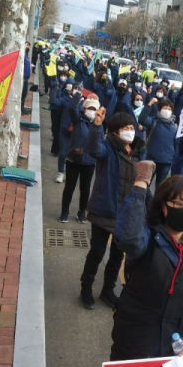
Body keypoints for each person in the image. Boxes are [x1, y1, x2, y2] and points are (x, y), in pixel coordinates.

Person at [111, 172, 183, 360]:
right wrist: (140, 185)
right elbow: (128, 240)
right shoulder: (147, 235)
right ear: (163, 205)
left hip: (177, 349)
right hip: (136, 343)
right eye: (178, 204)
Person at [80, 109, 146, 310]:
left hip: (125, 214)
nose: (130, 131)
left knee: (118, 256)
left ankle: (108, 290)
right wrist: (97, 125)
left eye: (132, 128)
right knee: (97, 252)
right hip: (104, 209)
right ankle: (86, 288)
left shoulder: (138, 152)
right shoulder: (107, 147)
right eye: (125, 128)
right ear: (116, 132)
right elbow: (93, 149)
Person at [59, 94, 100, 224]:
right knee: (69, 187)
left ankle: (82, 212)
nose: (91, 111)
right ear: (84, 108)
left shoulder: (98, 125)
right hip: (74, 159)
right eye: (89, 108)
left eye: (94, 109)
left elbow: (101, 141)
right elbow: (72, 107)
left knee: (85, 188)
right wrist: (79, 96)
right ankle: (64, 212)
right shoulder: (78, 119)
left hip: (89, 162)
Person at [139, 98, 177, 187]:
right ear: (159, 110)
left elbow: (177, 144)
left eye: (169, 109)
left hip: (166, 162)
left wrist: (173, 158)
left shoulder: (175, 127)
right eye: (165, 108)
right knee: (145, 184)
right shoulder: (154, 121)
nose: (167, 111)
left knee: (161, 187)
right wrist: (149, 104)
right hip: (151, 158)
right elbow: (142, 119)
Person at [21, 42, 31, 114]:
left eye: (28, 46)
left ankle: (22, 107)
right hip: (22, 78)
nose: (27, 47)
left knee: (24, 94)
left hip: (26, 78)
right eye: (26, 45)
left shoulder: (27, 56)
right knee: (21, 94)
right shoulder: (22, 55)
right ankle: (20, 108)